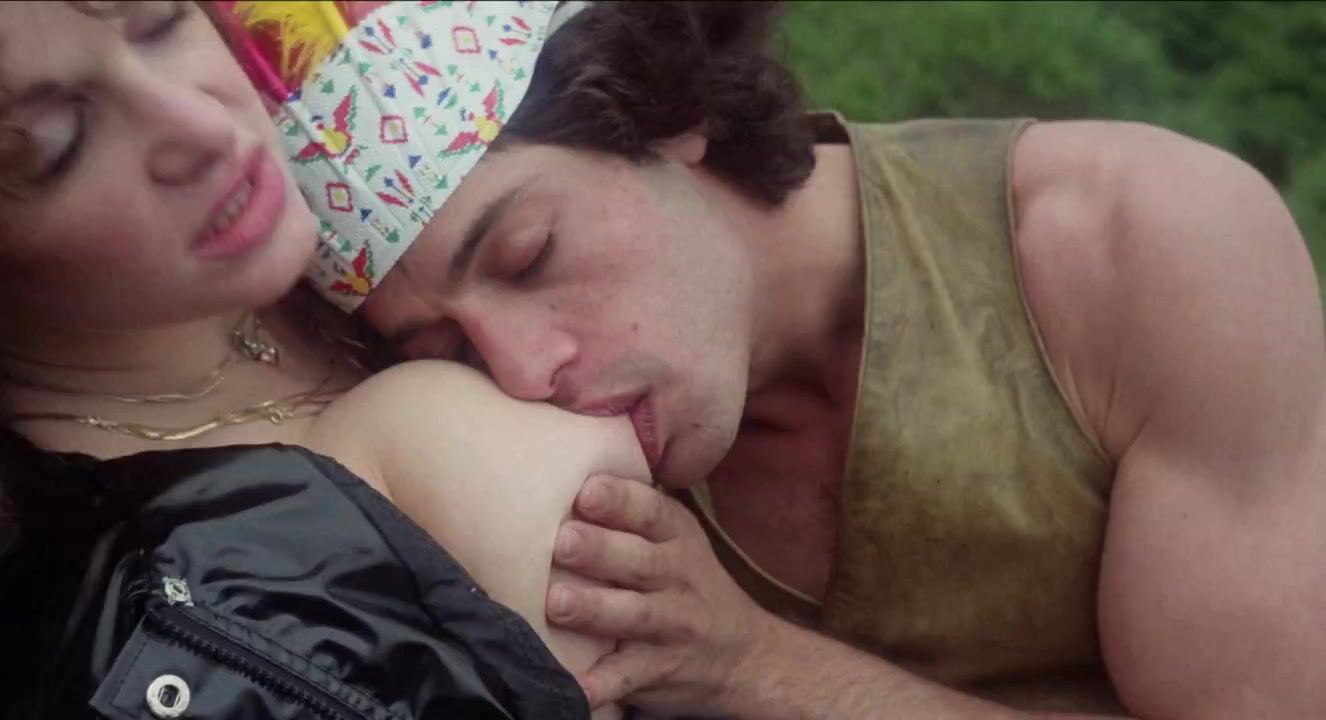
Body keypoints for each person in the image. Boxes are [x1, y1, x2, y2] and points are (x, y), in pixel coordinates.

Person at [291, 1, 1325, 719]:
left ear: (664, 114)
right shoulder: (488, 420)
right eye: (443, 348)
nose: (521, 375)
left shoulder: (1135, 247)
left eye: (530, 255)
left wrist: (757, 665)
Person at [0, 2, 647, 718]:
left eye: (160, 21)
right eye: (59, 143)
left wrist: (743, 657)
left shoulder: (362, 203)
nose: (205, 127)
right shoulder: (132, 640)